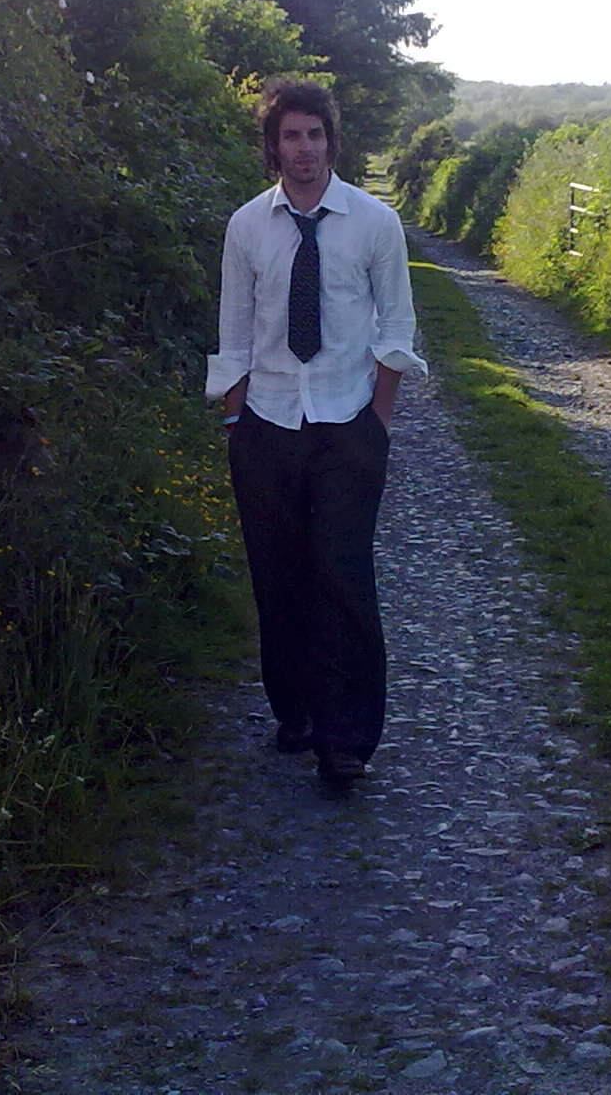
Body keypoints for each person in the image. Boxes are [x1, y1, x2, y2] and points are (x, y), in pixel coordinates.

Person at [206, 81, 426, 786]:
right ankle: (296, 711)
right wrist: (236, 419)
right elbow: (235, 332)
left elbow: (396, 325)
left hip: (347, 423)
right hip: (266, 423)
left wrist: (377, 421)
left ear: (332, 141)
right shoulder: (247, 226)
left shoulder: (374, 223)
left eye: (315, 135)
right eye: (291, 136)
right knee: (277, 574)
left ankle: (346, 740)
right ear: (274, 147)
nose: (304, 149)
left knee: (342, 572)